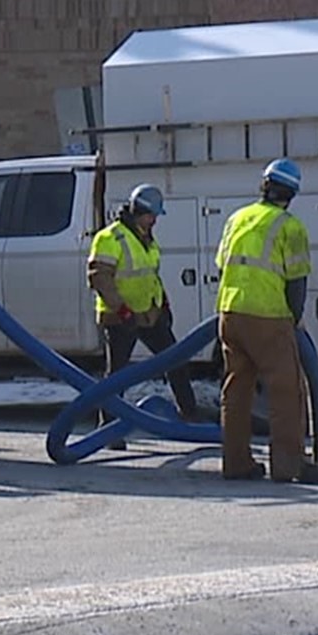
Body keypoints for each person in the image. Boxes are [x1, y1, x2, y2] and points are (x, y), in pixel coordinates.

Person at [214, 159, 318, 484]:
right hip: (268, 316)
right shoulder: (291, 227)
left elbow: (223, 268)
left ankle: (235, 464)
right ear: (291, 193)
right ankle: (289, 466)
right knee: (286, 391)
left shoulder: (237, 218)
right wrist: (296, 318)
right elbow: (296, 283)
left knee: (236, 390)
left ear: (264, 185)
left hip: (230, 314)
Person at [86, 184, 203, 447]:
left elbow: (149, 274)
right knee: (117, 374)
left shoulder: (145, 237)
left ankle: (190, 415)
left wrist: (163, 303)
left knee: (176, 359)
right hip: (121, 317)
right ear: (139, 212)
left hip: (149, 314)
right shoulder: (110, 238)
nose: (155, 221)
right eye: (152, 216)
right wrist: (121, 309)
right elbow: (99, 279)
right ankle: (109, 429)